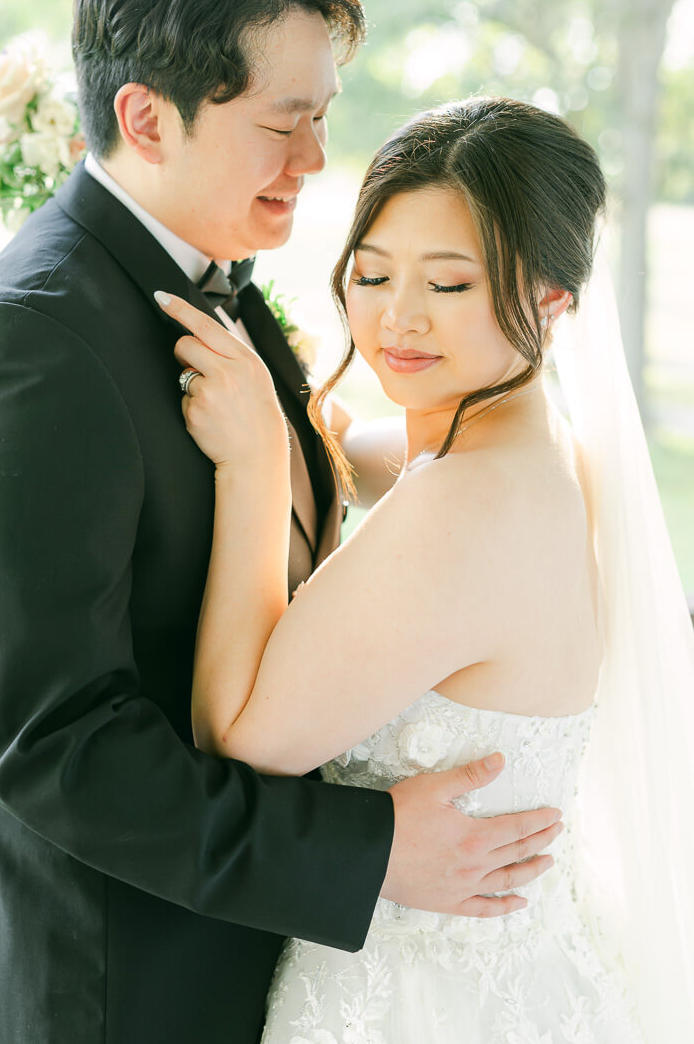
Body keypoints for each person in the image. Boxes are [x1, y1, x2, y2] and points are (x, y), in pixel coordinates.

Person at [0, 0, 559, 1044]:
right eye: (281, 123)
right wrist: (370, 852)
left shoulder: (220, 278)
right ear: (144, 117)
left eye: (320, 117)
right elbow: (53, 749)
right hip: (110, 993)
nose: (314, 159)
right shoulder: (31, 345)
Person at [157, 96, 694, 1041]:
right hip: (520, 971)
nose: (396, 318)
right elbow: (360, 460)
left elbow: (239, 734)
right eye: (370, 273)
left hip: (425, 1001)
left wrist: (252, 465)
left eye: (447, 286)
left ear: (549, 300)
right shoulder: (534, 455)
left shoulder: (466, 504)